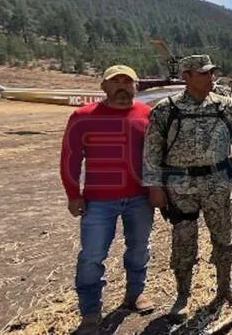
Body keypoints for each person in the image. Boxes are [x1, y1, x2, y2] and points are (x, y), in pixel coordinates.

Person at [143, 55, 232, 320]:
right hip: (180, 187)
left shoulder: (227, 107)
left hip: (218, 183)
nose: (211, 77)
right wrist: (154, 186)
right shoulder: (165, 110)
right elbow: (152, 152)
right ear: (187, 77)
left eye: (212, 72)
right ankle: (182, 295)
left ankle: (226, 287)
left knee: (224, 239)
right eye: (204, 73)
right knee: (183, 241)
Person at [60, 65, 154, 334]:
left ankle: (135, 294)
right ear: (104, 87)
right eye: (116, 82)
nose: (123, 86)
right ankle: (91, 312)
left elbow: (156, 157)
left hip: (140, 198)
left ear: (136, 87)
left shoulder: (147, 115)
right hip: (98, 201)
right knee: (92, 256)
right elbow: (70, 158)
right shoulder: (83, 117)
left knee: (139, 249)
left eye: (128, 82)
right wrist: (72, 194)